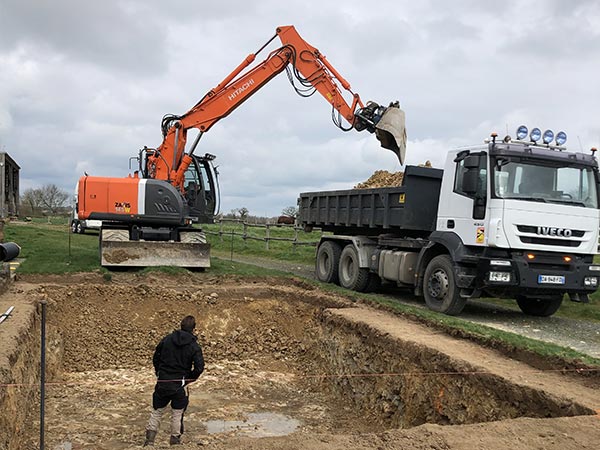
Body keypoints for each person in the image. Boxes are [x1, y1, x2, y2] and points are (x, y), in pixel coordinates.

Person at [143, 315, 205, 446]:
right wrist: (189, 378)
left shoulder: (167, 339)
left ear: (180, 326)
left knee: (157, 411)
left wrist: (159, 372)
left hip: (163, 382)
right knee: (177, 413)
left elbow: (156, 356)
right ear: (193, 329)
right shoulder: (194, 346)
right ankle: (175, 442)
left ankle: (149, 442)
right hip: (180, 384)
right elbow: (199, 368)